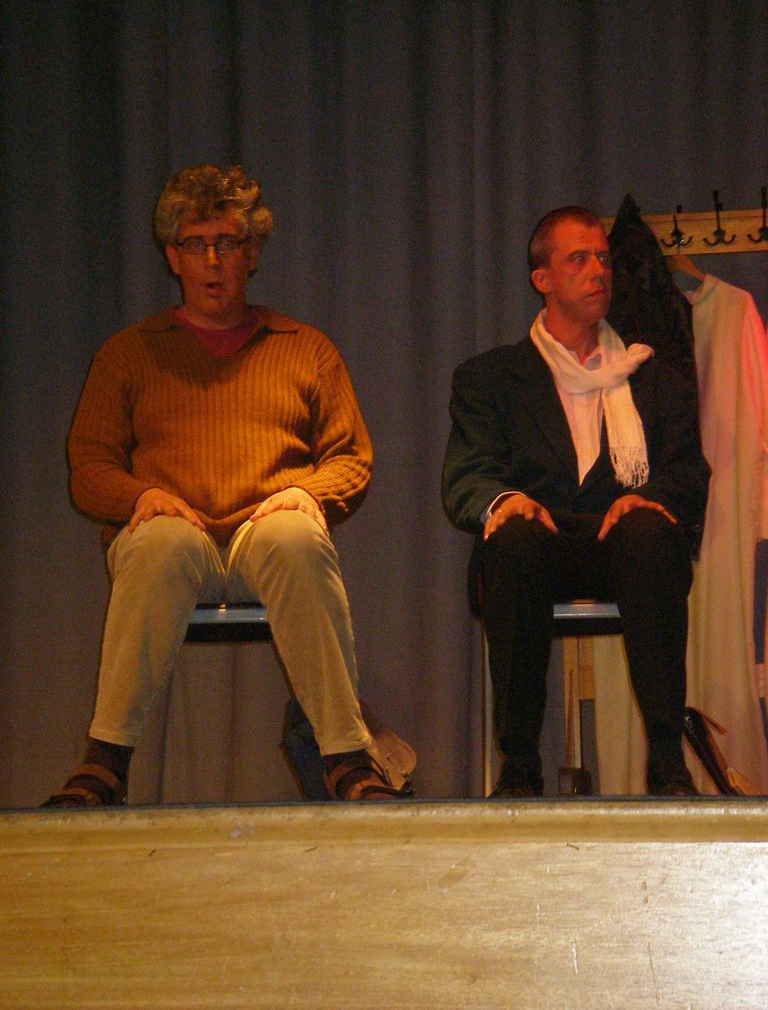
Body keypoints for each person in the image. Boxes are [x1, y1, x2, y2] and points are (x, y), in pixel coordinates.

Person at [44, 164, 409, 806]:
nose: (213, 261)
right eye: (196, 243)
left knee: (297, 537)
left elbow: (351, 458)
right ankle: (105, 762)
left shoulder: (305, 348)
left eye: (229, 242)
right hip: (173, 531)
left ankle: (347, 757)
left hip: (264, 531)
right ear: (172, 257)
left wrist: (311, 493)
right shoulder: (129, 352)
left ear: (254, 252)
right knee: (158, 544)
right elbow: (89, 467)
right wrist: (139, 496)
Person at [442, 206, 710, 797]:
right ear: (541, 279)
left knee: (649, 530)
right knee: (513, 540)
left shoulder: (652, 376)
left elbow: (689, 473)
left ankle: (668, 762)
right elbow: (467, 475)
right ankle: (519, 767)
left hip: (624, 547)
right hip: (539, 545)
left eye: (604, 259)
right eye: (579, 259)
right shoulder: (491, 378)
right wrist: (507, 501)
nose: (599, 271)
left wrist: (647, 499)